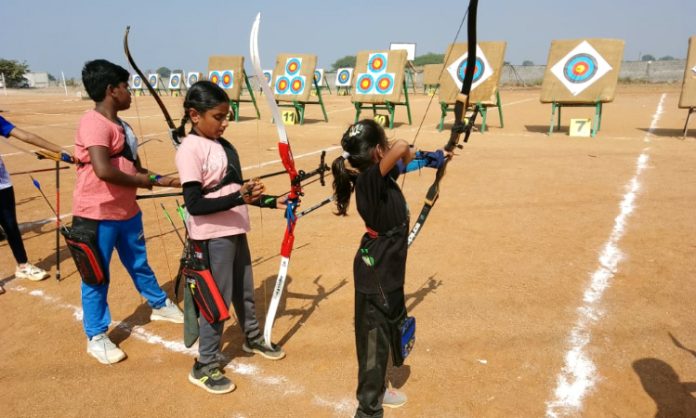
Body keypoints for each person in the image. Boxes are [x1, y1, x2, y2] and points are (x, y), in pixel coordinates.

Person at [175, 81, 286, 395]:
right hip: (211, 238)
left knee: (244, 291)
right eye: (218, 116)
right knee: (217, 301)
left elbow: (236, 192)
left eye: (227, 116)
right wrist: (239, 199)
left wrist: (269, 200)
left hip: (235, 230)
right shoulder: (190, 149)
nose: (225, 123)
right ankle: (205, 365)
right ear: (194, 115)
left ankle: (251, 337)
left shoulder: (224, 146)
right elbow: (195, 204)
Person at [331, 119, 448, 418]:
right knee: (374, 342)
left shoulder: (377, 176)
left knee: (390, 331)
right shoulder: (369, 181)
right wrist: (403, 150)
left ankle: (380, 391)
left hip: (388, 273)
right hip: (376, 275)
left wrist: (436, 157)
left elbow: (404, 160)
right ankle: (368, 410)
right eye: (384, 147)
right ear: (377, 153)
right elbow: (400, 149)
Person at [74, 59, 184, 365]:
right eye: (126, 87)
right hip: (96, 214)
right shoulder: (93, 122)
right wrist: (140, 181)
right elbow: (103, 169)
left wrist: (168, 180)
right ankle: (96, 335)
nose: (130, 92)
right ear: (112, 91)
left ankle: (158, 304)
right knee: (96, 275)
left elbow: (135, 169)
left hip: (126, 212)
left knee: (138, 262)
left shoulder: (123, 126)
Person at [0, 114, 74, 286]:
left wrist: (58, 149)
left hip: (2, 184)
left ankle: (23, 266)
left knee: (11, 225)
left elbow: (26, 136)